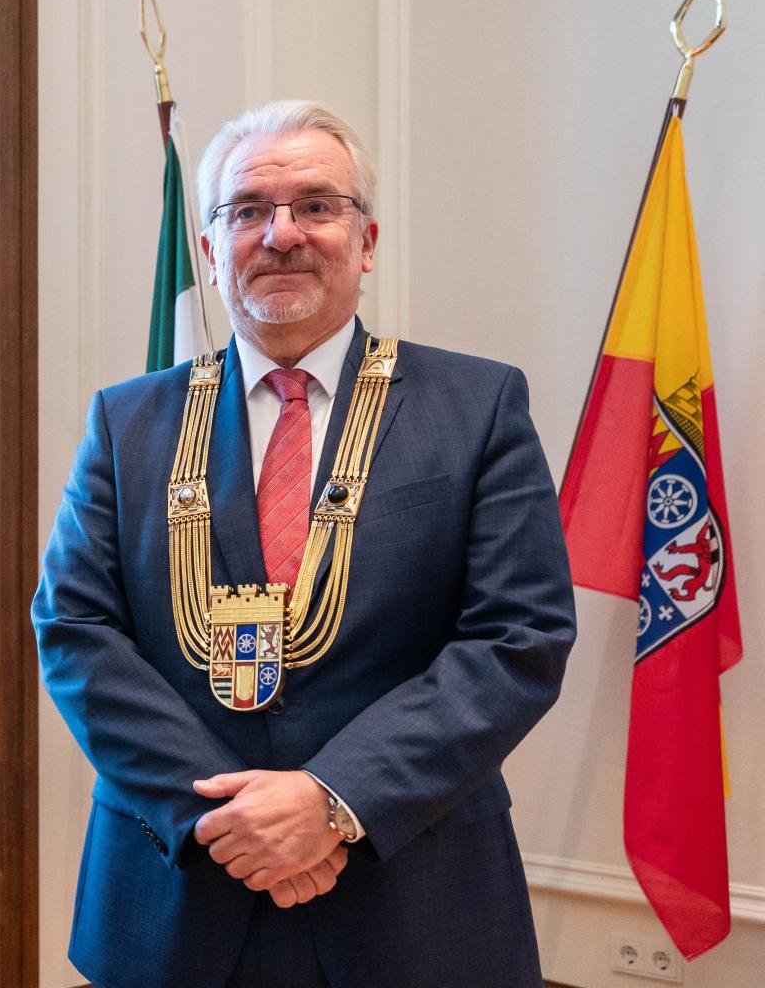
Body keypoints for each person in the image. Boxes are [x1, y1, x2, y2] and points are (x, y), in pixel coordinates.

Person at [33, 100, 574, 988]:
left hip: (413, 904)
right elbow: (76, 632)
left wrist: (333, 801)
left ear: (366, 241)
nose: (281, 234)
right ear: (211, 251)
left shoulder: (476, 408)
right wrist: (228, 821)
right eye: (248, 210)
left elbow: (518, 639)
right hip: (178, 897)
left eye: (316, 206)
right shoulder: (127, 423)